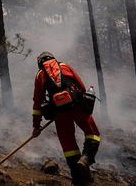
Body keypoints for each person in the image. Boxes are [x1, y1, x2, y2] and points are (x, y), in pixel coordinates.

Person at [32, 51, 100, 185]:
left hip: (60, 113)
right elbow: (81, 86)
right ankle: (86, 158)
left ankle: (78, 180)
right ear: (53, 58)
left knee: (69, 147)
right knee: (93, 134)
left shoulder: (40, 75)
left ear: (40, 63)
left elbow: (37, 102)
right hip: (77, 106)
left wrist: (36, 126)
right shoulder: (65, 66)